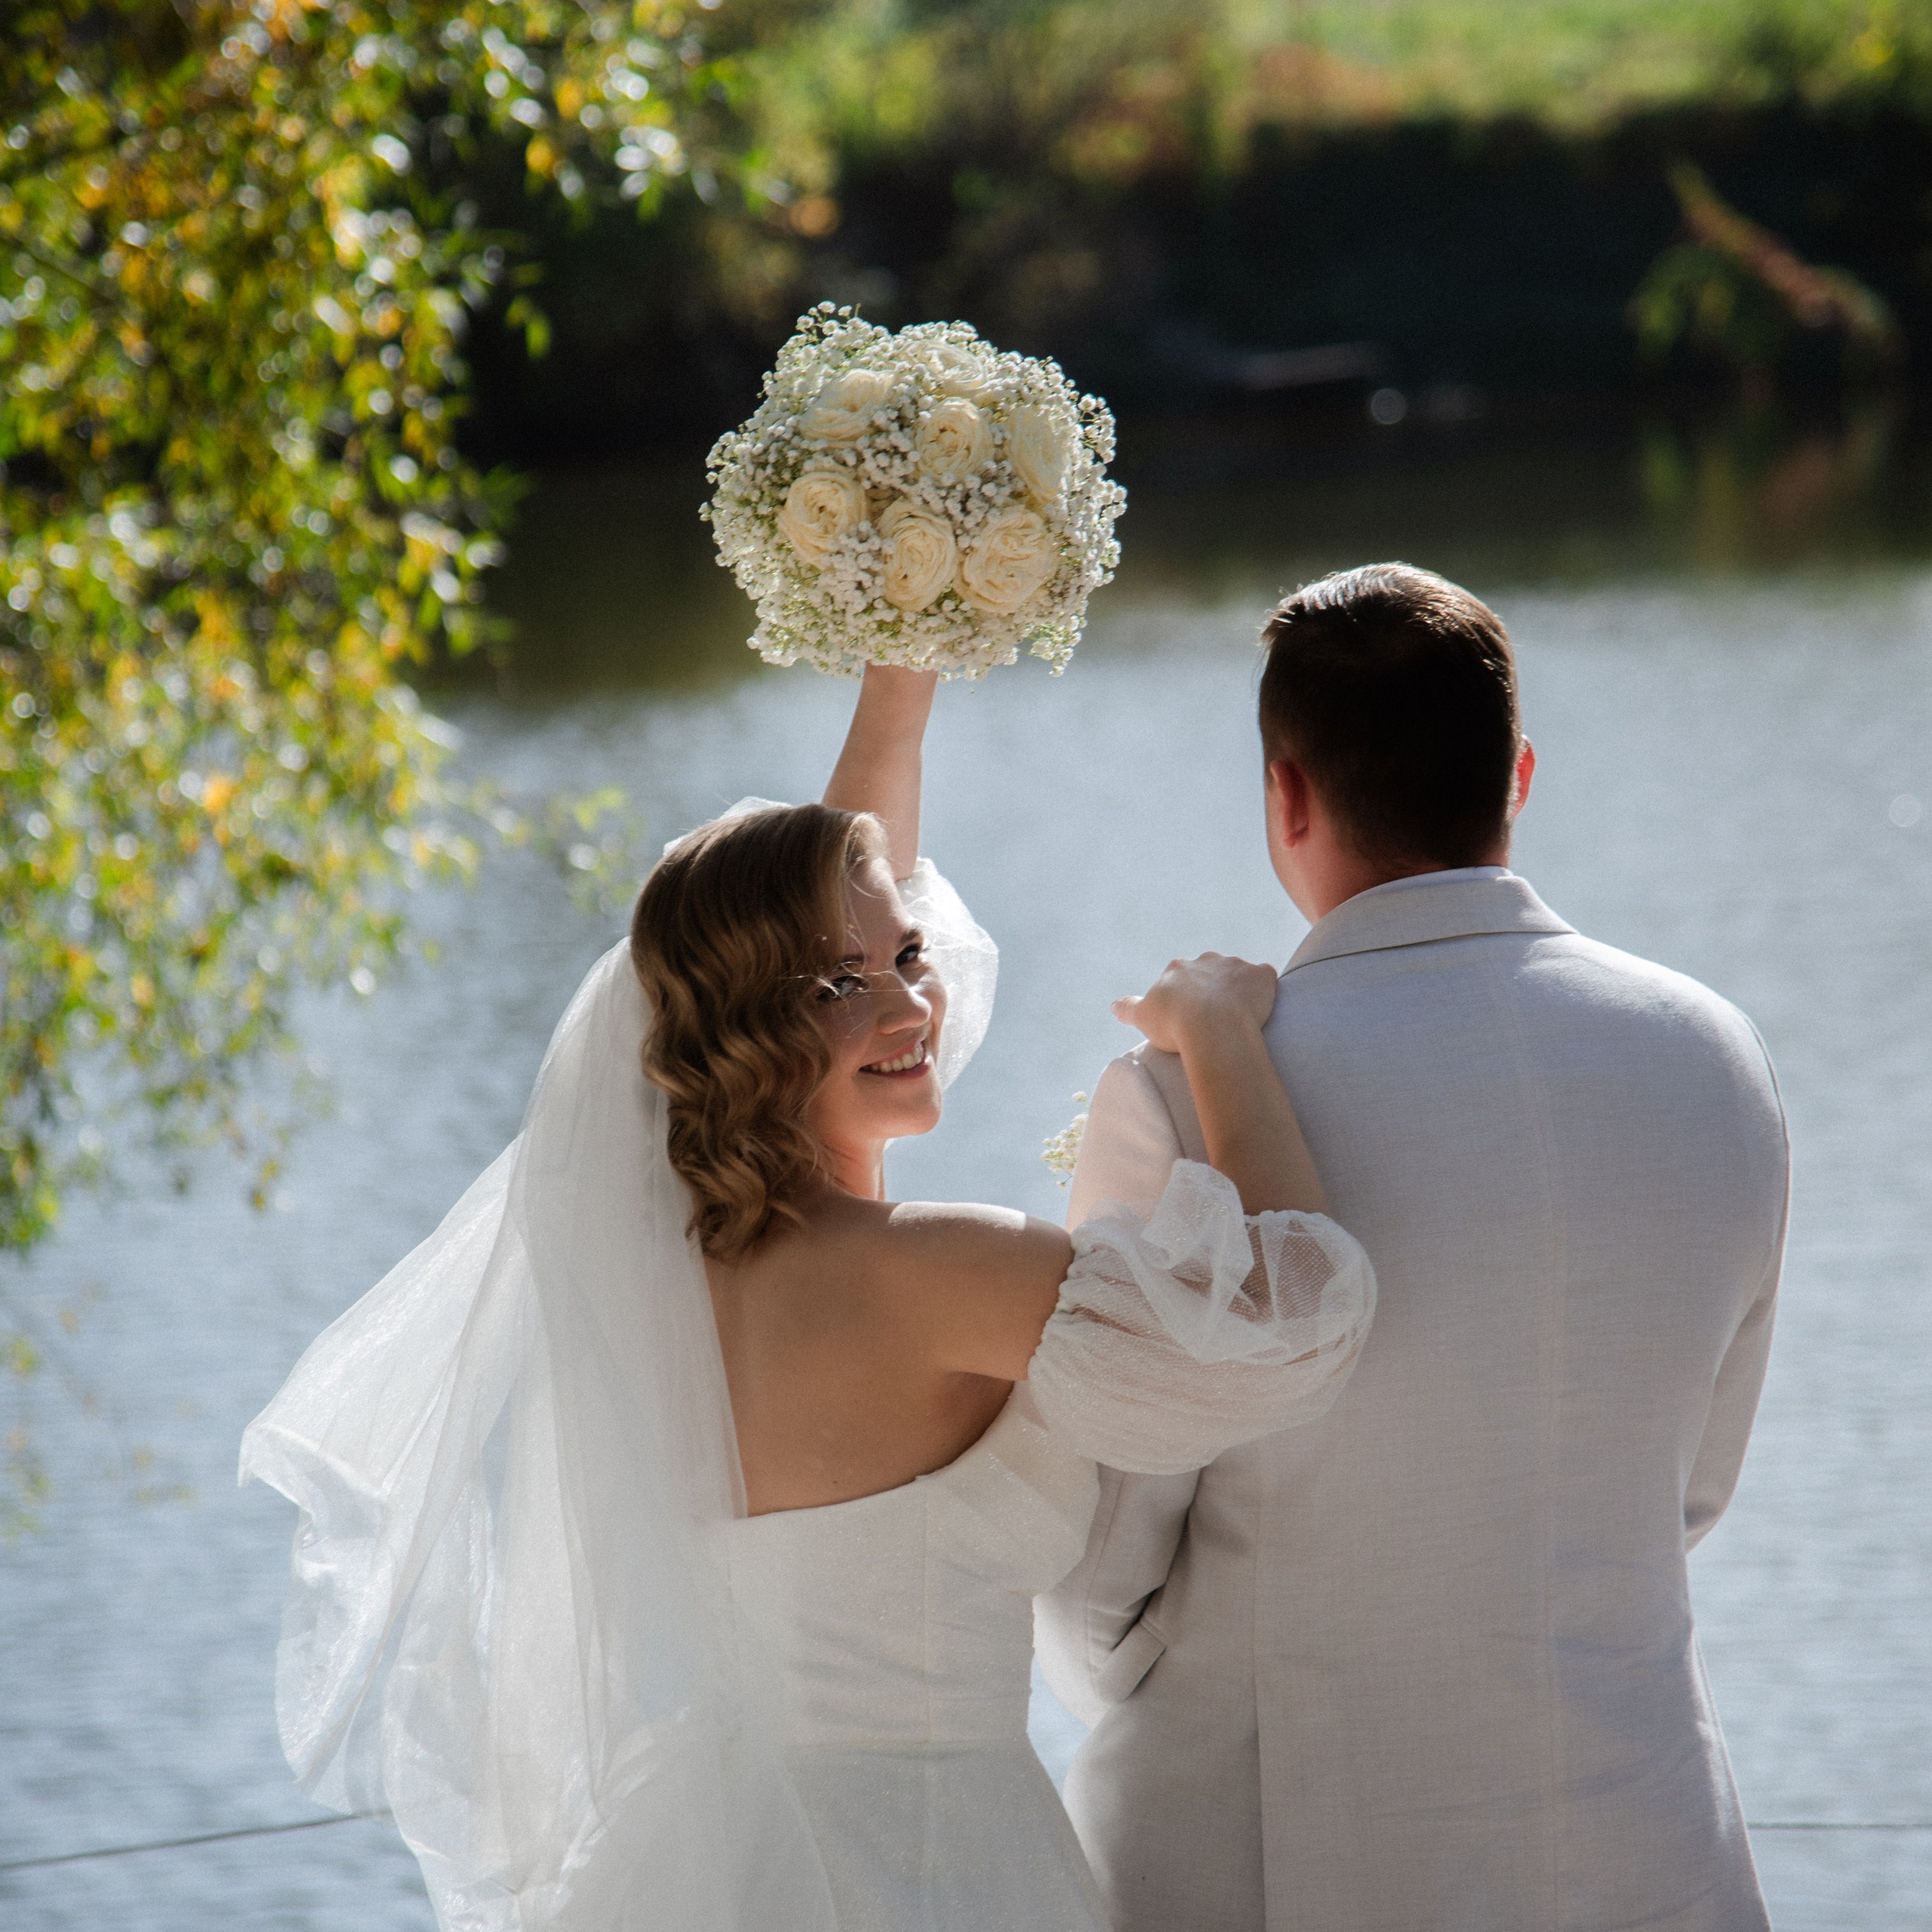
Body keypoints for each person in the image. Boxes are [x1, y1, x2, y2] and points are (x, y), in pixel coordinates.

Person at [241, 664, 1377, 1932]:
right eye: (842, 985)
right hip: (931, 1868)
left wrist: (901, 686)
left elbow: (834, 914)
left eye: (909, 956)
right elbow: (1293, 1324)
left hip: (710, 1851)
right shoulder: (928, 1272)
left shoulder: (661, 1267)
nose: (911, 1004)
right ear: (749, 1031)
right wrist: (1218, 1030)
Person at [1037, 562, 1790, 1932]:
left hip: (1268, 1846)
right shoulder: (1715, 1055)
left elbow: (1099, 1579)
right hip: (1642, 1841)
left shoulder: (1181, 1097)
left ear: (1286, 793)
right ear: (1519, 776)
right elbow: (1690, 1493)